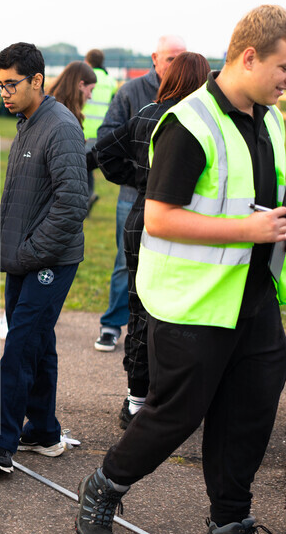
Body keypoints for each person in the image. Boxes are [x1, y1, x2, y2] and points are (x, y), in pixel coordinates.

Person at [75, 5, 286, 534]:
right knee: (175, 414)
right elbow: (158, 217)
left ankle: (229, 533)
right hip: (192, 303)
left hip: (251, 299)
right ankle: (104, 487)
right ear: (249, 56)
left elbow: (253, 200)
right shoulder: (189, 122)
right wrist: (249, 231)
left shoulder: (270, 118)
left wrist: (281, 226)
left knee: (249, 415)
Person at [0, 42, 88, 474]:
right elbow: (26, 197)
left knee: (21, 345)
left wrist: (31, 252)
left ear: (37, 80)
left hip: (49, 261)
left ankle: (0, 444)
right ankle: (44, 432)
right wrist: (6, 248)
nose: (4, 92)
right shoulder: (27, 122)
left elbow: (73, 202)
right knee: (38, 344)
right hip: (23, 259)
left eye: (12, 84)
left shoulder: (60, 126)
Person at [90, 52, 210, 429]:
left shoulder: (146, 114)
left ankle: (136, 399)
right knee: (180, 309)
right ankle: (173, 395)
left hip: (140, 218)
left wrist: (137, 180)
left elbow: (104, 151)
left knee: (139, 309)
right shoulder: (199, 120)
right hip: (185, 222)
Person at [94, 35, 186, 354]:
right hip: (133, 195)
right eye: (171, 58)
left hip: (174, 199)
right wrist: (136, 175)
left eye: (182, 58)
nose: (177, 64)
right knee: (126, 261)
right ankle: (111, 325)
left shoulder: (192, 96)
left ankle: (156, 330)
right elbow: (106, 138)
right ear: (155, 58)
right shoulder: (131, 92)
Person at [81, 48, 117, 206]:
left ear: (87, 61)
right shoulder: (110, 81)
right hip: (102, 131)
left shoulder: (84, 77)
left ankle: (86, 197)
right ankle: (89, 195)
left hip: (84, 128)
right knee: (87, 166)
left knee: (81, 166)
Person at [47, 61, 97, 127]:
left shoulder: (50, 105)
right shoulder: (65, 117)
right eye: (91, 90)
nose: (90, 96)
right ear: (81, 85)